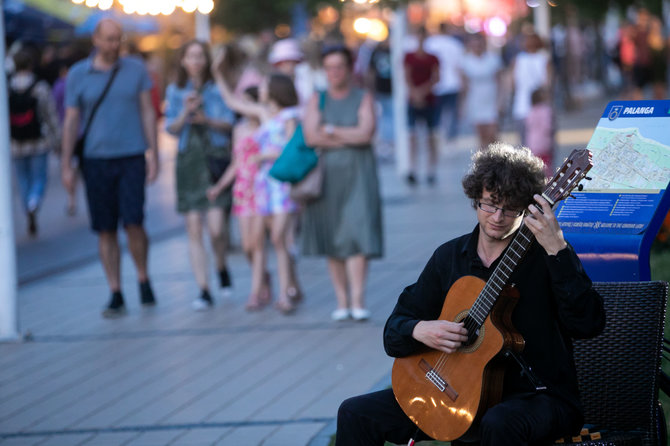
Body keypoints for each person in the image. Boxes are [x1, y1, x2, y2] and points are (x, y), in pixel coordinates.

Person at [336, 143, 605, 445]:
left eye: (510, 208)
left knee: (498, 424)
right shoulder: (450, 257)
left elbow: (588, 324)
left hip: (537, 396)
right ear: (476, 198)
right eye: (489, 204)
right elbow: (394, 331)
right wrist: (420, 329)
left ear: (528, 207)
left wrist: (558, 250)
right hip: (452, 391)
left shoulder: (547, 257)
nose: (497, 217)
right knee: (355, 413)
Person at [61, 19, 159, 318]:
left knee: (134, 222)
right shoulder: (78, 74)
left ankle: (143, 277)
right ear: (95, 39)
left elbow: (147, 111)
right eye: (108, 39)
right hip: (96, 159)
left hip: (131, 155)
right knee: (105, 229)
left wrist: (153, 152)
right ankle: (115, 291)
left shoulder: (136, 69)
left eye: (117, 39)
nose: (113, 45)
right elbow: (71, 120)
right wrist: (66, 164)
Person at [212, 49, 302, 315]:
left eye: (264, 86)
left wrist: (264, 155)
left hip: (282, 183)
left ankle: (286, 292)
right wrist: (218, 72)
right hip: (264, 185)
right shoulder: (265, 115)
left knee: (279, 237)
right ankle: (287, 289)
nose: (259, 89)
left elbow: (290, 150)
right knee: (273, 240)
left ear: (274, 90)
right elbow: (231, 102)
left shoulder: (289, 116)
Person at [302, 45, 383, 321]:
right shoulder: (318, 99)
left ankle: (358, 299)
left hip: (359, 174)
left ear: (349, 69)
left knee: (358, 232)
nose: (334, 73)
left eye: (339, 66)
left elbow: (365, 134)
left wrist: (332, 131)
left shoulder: (363, 96)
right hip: (326, 176)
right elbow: (311, 137)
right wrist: (348, 134)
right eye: (329, 67)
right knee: (333, 235)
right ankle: (342, 300)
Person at [164, 40, 236, 310]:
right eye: (190, 56)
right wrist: (185, 111)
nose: (195, 62)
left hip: (214, 160)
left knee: (216, 230)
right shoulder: (175, 91)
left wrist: (207, 119)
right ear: (182, 60)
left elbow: (230, 123)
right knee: (194, 227)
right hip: (188, 163)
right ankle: (204, 289)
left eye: (199, 57)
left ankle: (221, 265)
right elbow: (171, 128)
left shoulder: (217, 89)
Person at [207, 86, 272, 311]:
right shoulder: (239, 129)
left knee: (257, 242)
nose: (243, 109)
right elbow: (236, 163)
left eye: (247, 103)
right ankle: (263, 275)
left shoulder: (266, 127)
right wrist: (219, 186)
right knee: (246, 245)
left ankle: (256, 292)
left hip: (262, 188)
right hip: (242, 190)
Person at [9, 47, 60, 237]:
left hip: (16, 144)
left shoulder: (6, 87)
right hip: (39, 142)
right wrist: (57, 140)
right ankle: (34, 201)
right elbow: (51, 115)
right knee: (39, 177)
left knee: (23, 179)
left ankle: (28, 206)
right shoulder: (40, 87)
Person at [404, 27, 440, 186]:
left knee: (430, 136)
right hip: (413, 100)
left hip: (429, 100)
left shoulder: (433, 58)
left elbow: (436, 78)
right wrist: (415, 93)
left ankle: (431, 169)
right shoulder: (409, 57)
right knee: (412, 136)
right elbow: (406, 76)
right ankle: (412, 168)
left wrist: (422, 92)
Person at [459, 32, 503, 149]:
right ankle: (484, 162)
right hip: (475, 99)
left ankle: (497, 159)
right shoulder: (466, 61)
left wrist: (500, 101)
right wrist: (463, 105)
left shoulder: (493, 59)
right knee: (481, 135)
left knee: (492, 133)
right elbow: (464, 85)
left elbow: (500, 82)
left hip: (490, 98)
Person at [511, 31, 552, 146]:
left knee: (533, 142)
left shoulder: (542, 59)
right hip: (527, 106)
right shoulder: (519, 60)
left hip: (532, 106)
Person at [425, 23, 464, 142]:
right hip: (452, 83)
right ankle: (450, 138)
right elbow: (460, 66)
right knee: (451, 112)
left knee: (437, 113)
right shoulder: (455, 44)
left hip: (436, 85)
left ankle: (437, 136)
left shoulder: (430, 43)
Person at [525, 88, 555, 176]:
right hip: (544, 144)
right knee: (546, 167)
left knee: (535, 167)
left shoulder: (531, 111)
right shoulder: (545, 110)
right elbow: (547, 127)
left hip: (532, 143)